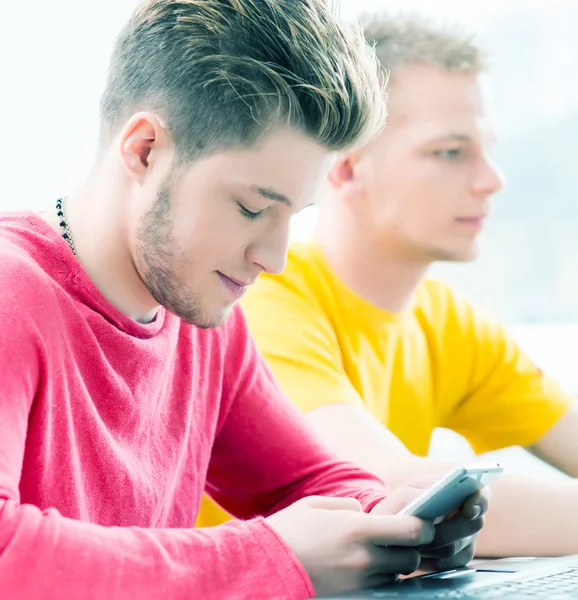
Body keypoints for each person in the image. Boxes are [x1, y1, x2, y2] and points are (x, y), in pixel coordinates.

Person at [0, 2, 489, 598]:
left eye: (293, 215)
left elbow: (308, 481)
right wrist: (269, 555)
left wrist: (393, 518)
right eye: (252, 208)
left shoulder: (204, 315)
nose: (274, 258)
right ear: (146, 149)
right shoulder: (11, 291)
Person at [199, 12, 578, 557]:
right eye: (449, 152)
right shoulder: (265, 300)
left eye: (486, 149)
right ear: (347, 167)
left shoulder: (451, 323)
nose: (492, 179)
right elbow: (394, 496)